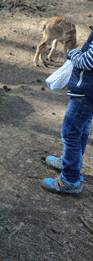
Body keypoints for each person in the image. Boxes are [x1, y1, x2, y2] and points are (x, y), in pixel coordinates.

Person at [42, 26, 93, 194]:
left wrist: (72, 53)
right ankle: (70, 162)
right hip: (87, 93)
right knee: (81, 130)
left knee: (70, 133)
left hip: (85, 94)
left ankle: (69, 180)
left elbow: (88, 61)